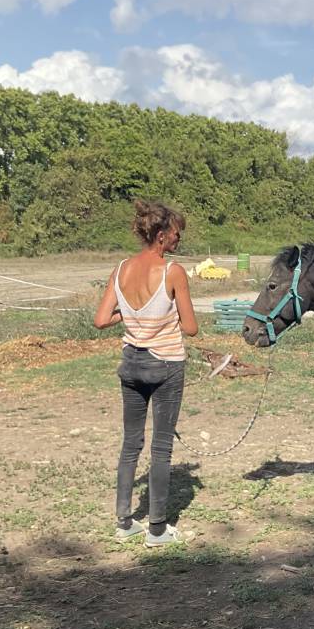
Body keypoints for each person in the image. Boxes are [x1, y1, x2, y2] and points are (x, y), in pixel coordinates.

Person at [93, 200, 198, 546]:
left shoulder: (121, 268)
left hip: (131, 365)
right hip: (166, 366)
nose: (179, 240)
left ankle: (124, 522)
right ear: (163, 235)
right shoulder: (173, 272)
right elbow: (191, 327)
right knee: (161, 447)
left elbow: (100, 320)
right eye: (176, 234)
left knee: (130, 444)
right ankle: (156, 528)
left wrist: (130, 315)